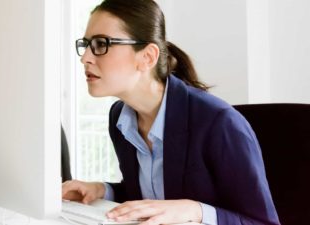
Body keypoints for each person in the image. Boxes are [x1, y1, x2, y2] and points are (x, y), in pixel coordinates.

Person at [62, 0, 280, 224]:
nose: (85, 57)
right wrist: (102, 190)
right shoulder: (120, 118)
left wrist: (195, 210)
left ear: (147, 57)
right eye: (86, 44)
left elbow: (262, 222)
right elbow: (152, 196)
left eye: (101, 44)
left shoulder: (219, 123)